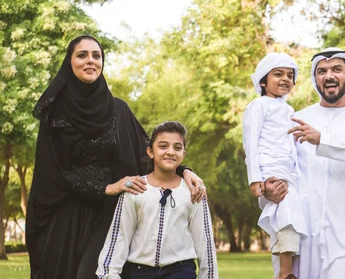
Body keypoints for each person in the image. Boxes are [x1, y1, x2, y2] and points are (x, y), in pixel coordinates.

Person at [26, 35, 205, 279]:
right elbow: (53, 170)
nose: (91, 61)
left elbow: (149, 154)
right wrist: (105, 187)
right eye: (82, 55)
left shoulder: (117, 109)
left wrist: (184, 170)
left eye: (96, 56)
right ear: (70, 62)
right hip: (64, 213)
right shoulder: (55, 113)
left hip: (107, 213)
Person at [264, 47, 345, 279]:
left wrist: (323, 140)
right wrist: (267, 190)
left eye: (337, 69)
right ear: (315, 79)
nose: (329, 76)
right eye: (322, 71)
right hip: (300, 235)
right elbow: (276, 163)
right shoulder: (296, 118)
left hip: (343, 238)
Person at [96, 121, 218, 279]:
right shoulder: (135, 189)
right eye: (163, 146)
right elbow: (120, 236)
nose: (170, 152)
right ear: (150, 152)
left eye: (177, 147)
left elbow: (205, 242)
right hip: (138, 271)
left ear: (183, 154)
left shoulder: (193, 191)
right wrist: (109, 274)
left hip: (180, 271)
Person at [243, 53, 307, 279]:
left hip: (288, 171)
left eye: (290, 76)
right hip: (269, 170)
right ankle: (285, 272)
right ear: (263, 81)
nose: (285, 79)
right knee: (286, 213)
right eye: (278, 74)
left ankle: (286, 269)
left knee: (290, 216)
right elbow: (250, 142)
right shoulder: (258, 105)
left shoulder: (289, 110)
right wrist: (255, 178)